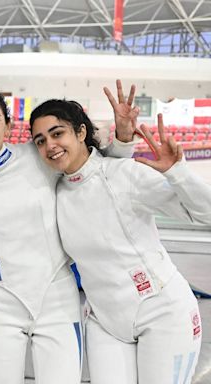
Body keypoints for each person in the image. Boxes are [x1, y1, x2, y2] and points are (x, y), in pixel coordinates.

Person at [0, 85, 136, 384]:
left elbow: (98, 169)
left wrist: (124, 139)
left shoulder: (38, 154)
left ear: (7, 125)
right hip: (0, 306)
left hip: (58, 303)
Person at [30, 99, 210, 384]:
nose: (49, 145)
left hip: (163, 313)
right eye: (40, 140)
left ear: (79, 132)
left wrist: (179, 173)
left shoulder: (125, 175)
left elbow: (206, 214)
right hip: (106, 321)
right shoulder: (55, 191)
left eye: (57, 133)